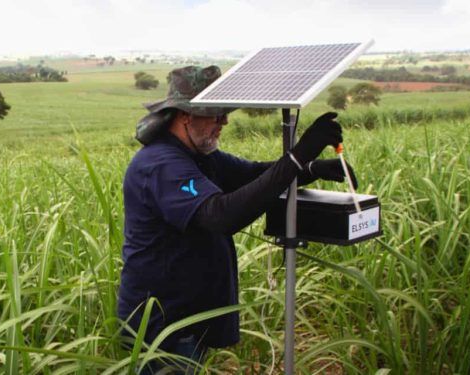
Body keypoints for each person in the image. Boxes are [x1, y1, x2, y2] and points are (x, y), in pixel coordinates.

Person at [118, 65, 357, 374]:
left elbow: (254, 175)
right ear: (184, 115)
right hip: (164, 329)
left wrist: (310, 168)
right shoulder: (161, 163)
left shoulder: (201, 156)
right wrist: (298, 156)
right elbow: (221, 216)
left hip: (189, 318)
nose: (225, 121)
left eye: (225, 113)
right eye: (216, 114)